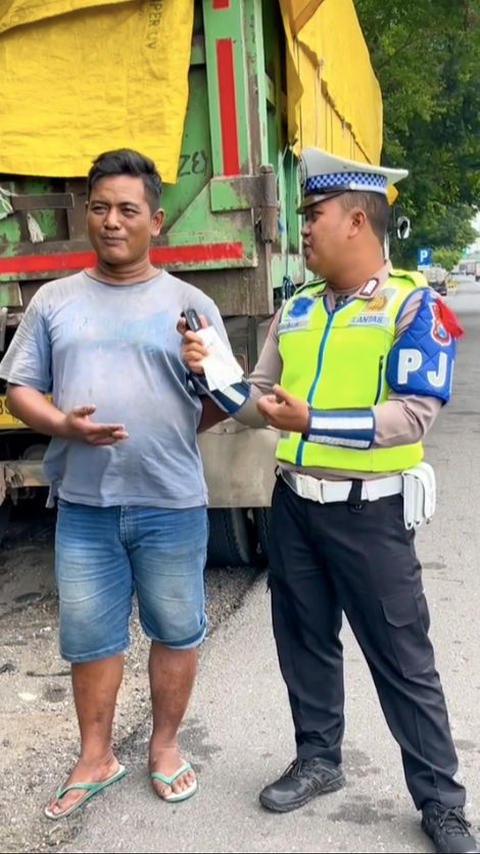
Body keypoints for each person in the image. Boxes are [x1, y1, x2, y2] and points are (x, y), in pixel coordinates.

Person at [181, 149, 479, 854]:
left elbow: (411, 415)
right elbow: (259, 404)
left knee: (403, 660)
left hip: (368, 513)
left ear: (355, 219)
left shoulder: (414, 306)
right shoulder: (299, 309)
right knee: (304, 640)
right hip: (294, 505)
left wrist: (310, 421)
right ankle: (319, 759)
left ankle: (441, 801)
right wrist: (214, 373)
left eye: (312, 216)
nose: (302, 230)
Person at [0, 148, 244, 820]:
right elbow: (20, 388)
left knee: (177, 629)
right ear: (88, 214)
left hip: (170, 501)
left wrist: (177, 416)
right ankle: (95, 755)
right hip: (84, 506)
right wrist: (62, 425)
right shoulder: (55, 301)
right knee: (90, 638)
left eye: (127, 209)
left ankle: (164, 748)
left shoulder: (190, 305)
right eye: (100, 207)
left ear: (156, 221)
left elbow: (232, 393)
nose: (111, 221)